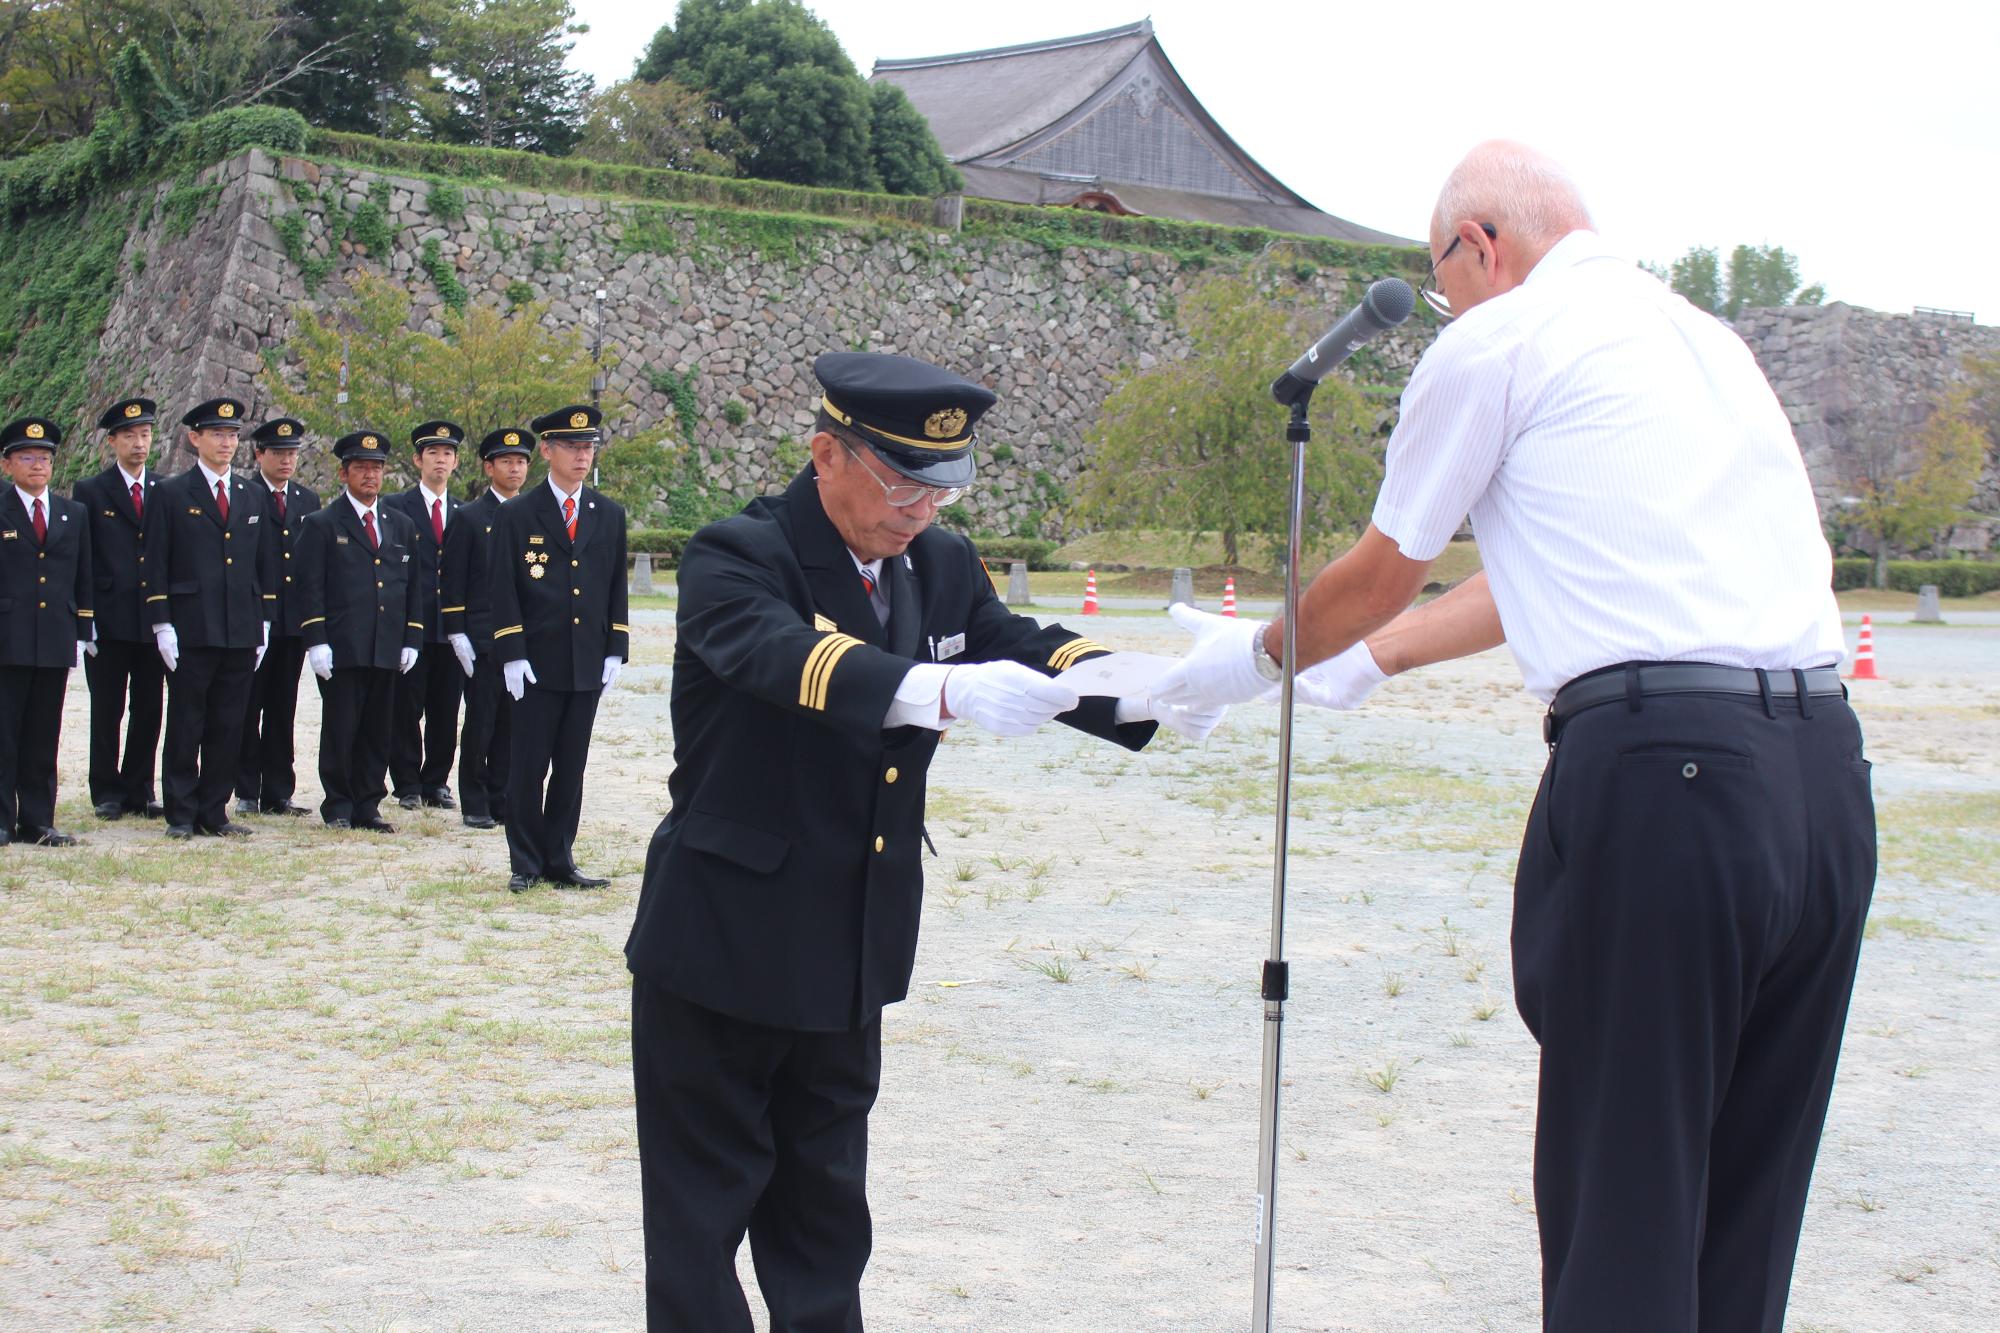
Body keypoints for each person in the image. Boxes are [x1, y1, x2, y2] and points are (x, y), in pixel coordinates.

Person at [1155, 141, 1874, 1333]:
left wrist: (1251, 663)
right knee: (1745, 1204)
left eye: (1441, 278)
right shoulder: (1705, 344)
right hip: (1821, 776)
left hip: (1669, 780)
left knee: (1624, 1191)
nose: (1444, 304)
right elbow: (1546, 567)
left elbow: (1383, 568)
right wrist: (1368, 662)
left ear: (1478, 244)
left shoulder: (1499, 339)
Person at [624, 352, 1223, 1330]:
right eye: (903, 483)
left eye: (942, 487)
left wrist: (1149, 686)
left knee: (824, 1215)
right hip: (725, 940)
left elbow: (1018, 642)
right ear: (826, 454)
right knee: (700, 1222)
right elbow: (784, 656)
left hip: (847, 938)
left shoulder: (936, 562)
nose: (922, 510)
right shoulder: (738, 553)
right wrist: (939, 688)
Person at [489, 404, 627, 892]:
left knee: (572, 766)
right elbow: (503, 587)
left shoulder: (607, 514)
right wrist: (512, 651)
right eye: (571, 447)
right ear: (547, 451)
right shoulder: (517, 513)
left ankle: (560, 857)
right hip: (536, 660)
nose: (582, 456)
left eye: (588, 447)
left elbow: (615, 584)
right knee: (529, 766)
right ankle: (525, 861)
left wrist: (615, 647)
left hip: (586, 659)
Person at [148, 397, 279, 840]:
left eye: (232, 435)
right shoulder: (170, 493)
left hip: (239, 625)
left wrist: (264, 620)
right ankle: (181, 812)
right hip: (191, 625)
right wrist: (162, 623)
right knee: (187, 721)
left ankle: (214, 810)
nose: (226, 442)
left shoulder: (251, 494)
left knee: (229, 722)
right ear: (195, 438)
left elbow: (264, 564)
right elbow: (155, 562)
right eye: (217, 434)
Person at [292, 430, 422, 831]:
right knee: (342, 727)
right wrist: (316, 640)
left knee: (378, 728)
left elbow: (412, 586)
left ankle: (368, 803)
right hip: (343, 644)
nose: (370, 475)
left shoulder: (400, 525)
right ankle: (338, 804)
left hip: (386, 643)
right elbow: (309, 587)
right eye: (361, 467)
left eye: (377, 468)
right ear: (343, 473)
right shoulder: (322, 524)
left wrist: (412, 637)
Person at [0, 417, 92, 847]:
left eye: (44, 457)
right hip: (8, 636)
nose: (37, 465)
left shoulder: (73, 513)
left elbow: (83, 575)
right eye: (26, 457)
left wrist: (83, 628)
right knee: (4, 733)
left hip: (55, 635)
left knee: (43, 735)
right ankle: (3, 820)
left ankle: (38, 821)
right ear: (7, 465)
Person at [73, 396, 165, 820]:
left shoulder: (164, 490)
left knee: (149, 708)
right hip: (109, 617)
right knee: (107, 707)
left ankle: (139, 788)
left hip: (151, 618)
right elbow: (84, 558)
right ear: (112, 441)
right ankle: (106, 790)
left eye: (145, 435)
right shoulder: (91, 491)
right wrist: (86, 617)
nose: (139, 443)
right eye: (129, 436)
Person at [441, 426, 533, 830]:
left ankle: (502, 797)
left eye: (521, 462)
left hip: (523, 637)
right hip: (482, 636)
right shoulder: (470, 517)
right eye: (506, 461)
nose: (515, 469)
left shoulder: (533, 514)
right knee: (481, 722)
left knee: (514, 724)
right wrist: (456, 631)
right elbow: (453, 578)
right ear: (488, 467)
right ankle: (475, 800)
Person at [235, 416, 320, 816]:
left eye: (292, 454)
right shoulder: (246, 494)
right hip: (255, 617)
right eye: (279, 453)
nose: (287, 461)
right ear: (259, 455)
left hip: (292, 620)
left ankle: (278, 790)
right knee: (248, 704)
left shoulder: (306, 500)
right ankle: (246, 789)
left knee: (283, 706)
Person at [385, 420, 467, 811]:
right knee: (406, 707)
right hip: (411, 624)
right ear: (418, 460)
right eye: (433, 453)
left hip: (451, 626)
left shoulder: (464, 512)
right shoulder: (395, 507)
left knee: (445, 709)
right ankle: (407, 783)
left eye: (448, 453)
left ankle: (436, 781)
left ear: (456, 463)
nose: (441, 460)